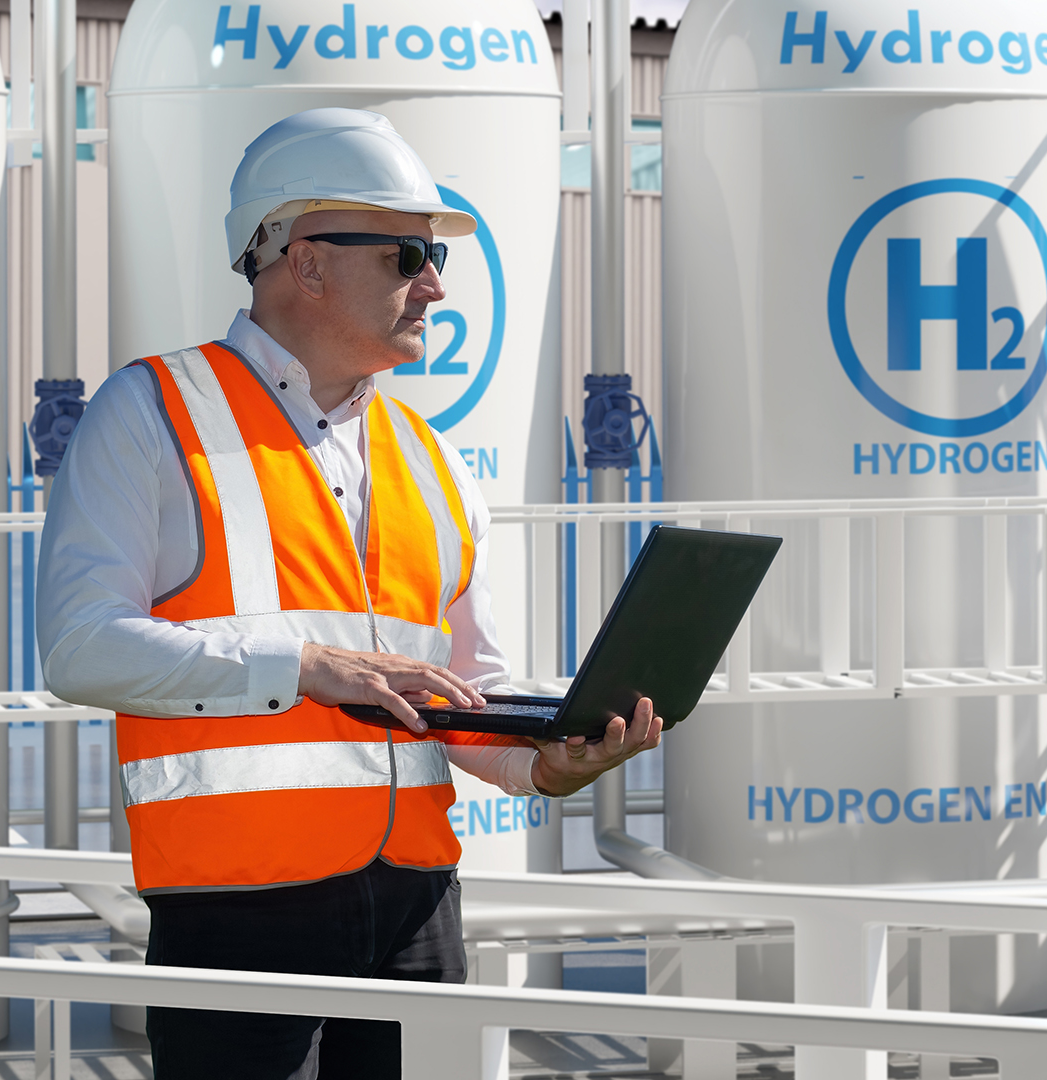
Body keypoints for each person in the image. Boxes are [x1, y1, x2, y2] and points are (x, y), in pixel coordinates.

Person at [35, 108, 660, 1080]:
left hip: (419, 909)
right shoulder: (149, 413)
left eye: (434, 257)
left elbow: (465, 696)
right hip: (235, 913)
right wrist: (304, 667)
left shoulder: (433, 460)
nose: (436, 284)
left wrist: (548, 763)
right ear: (306, 261)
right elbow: (79, 647)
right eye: (409, 255)